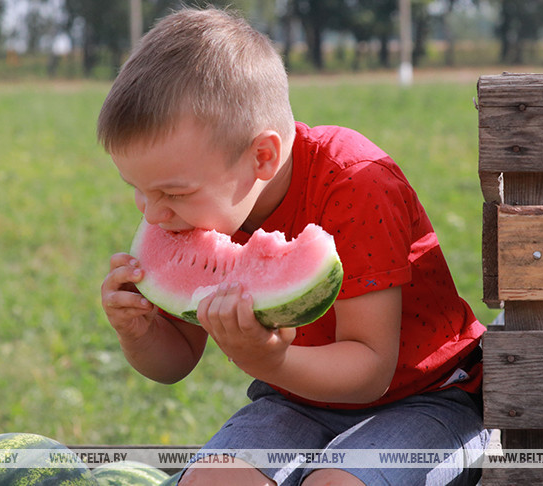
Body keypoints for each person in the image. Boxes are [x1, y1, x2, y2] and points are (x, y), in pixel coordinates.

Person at [97, 7, 488, 486]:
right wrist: (138, 333)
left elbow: (371, 370)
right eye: (137, 189)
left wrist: (270, 360)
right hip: (292, 400)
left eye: (173, 194)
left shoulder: (355, 182)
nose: (153, 214)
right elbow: (176, 362)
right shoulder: (208, 202)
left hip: (428, 397)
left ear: (262, 156)